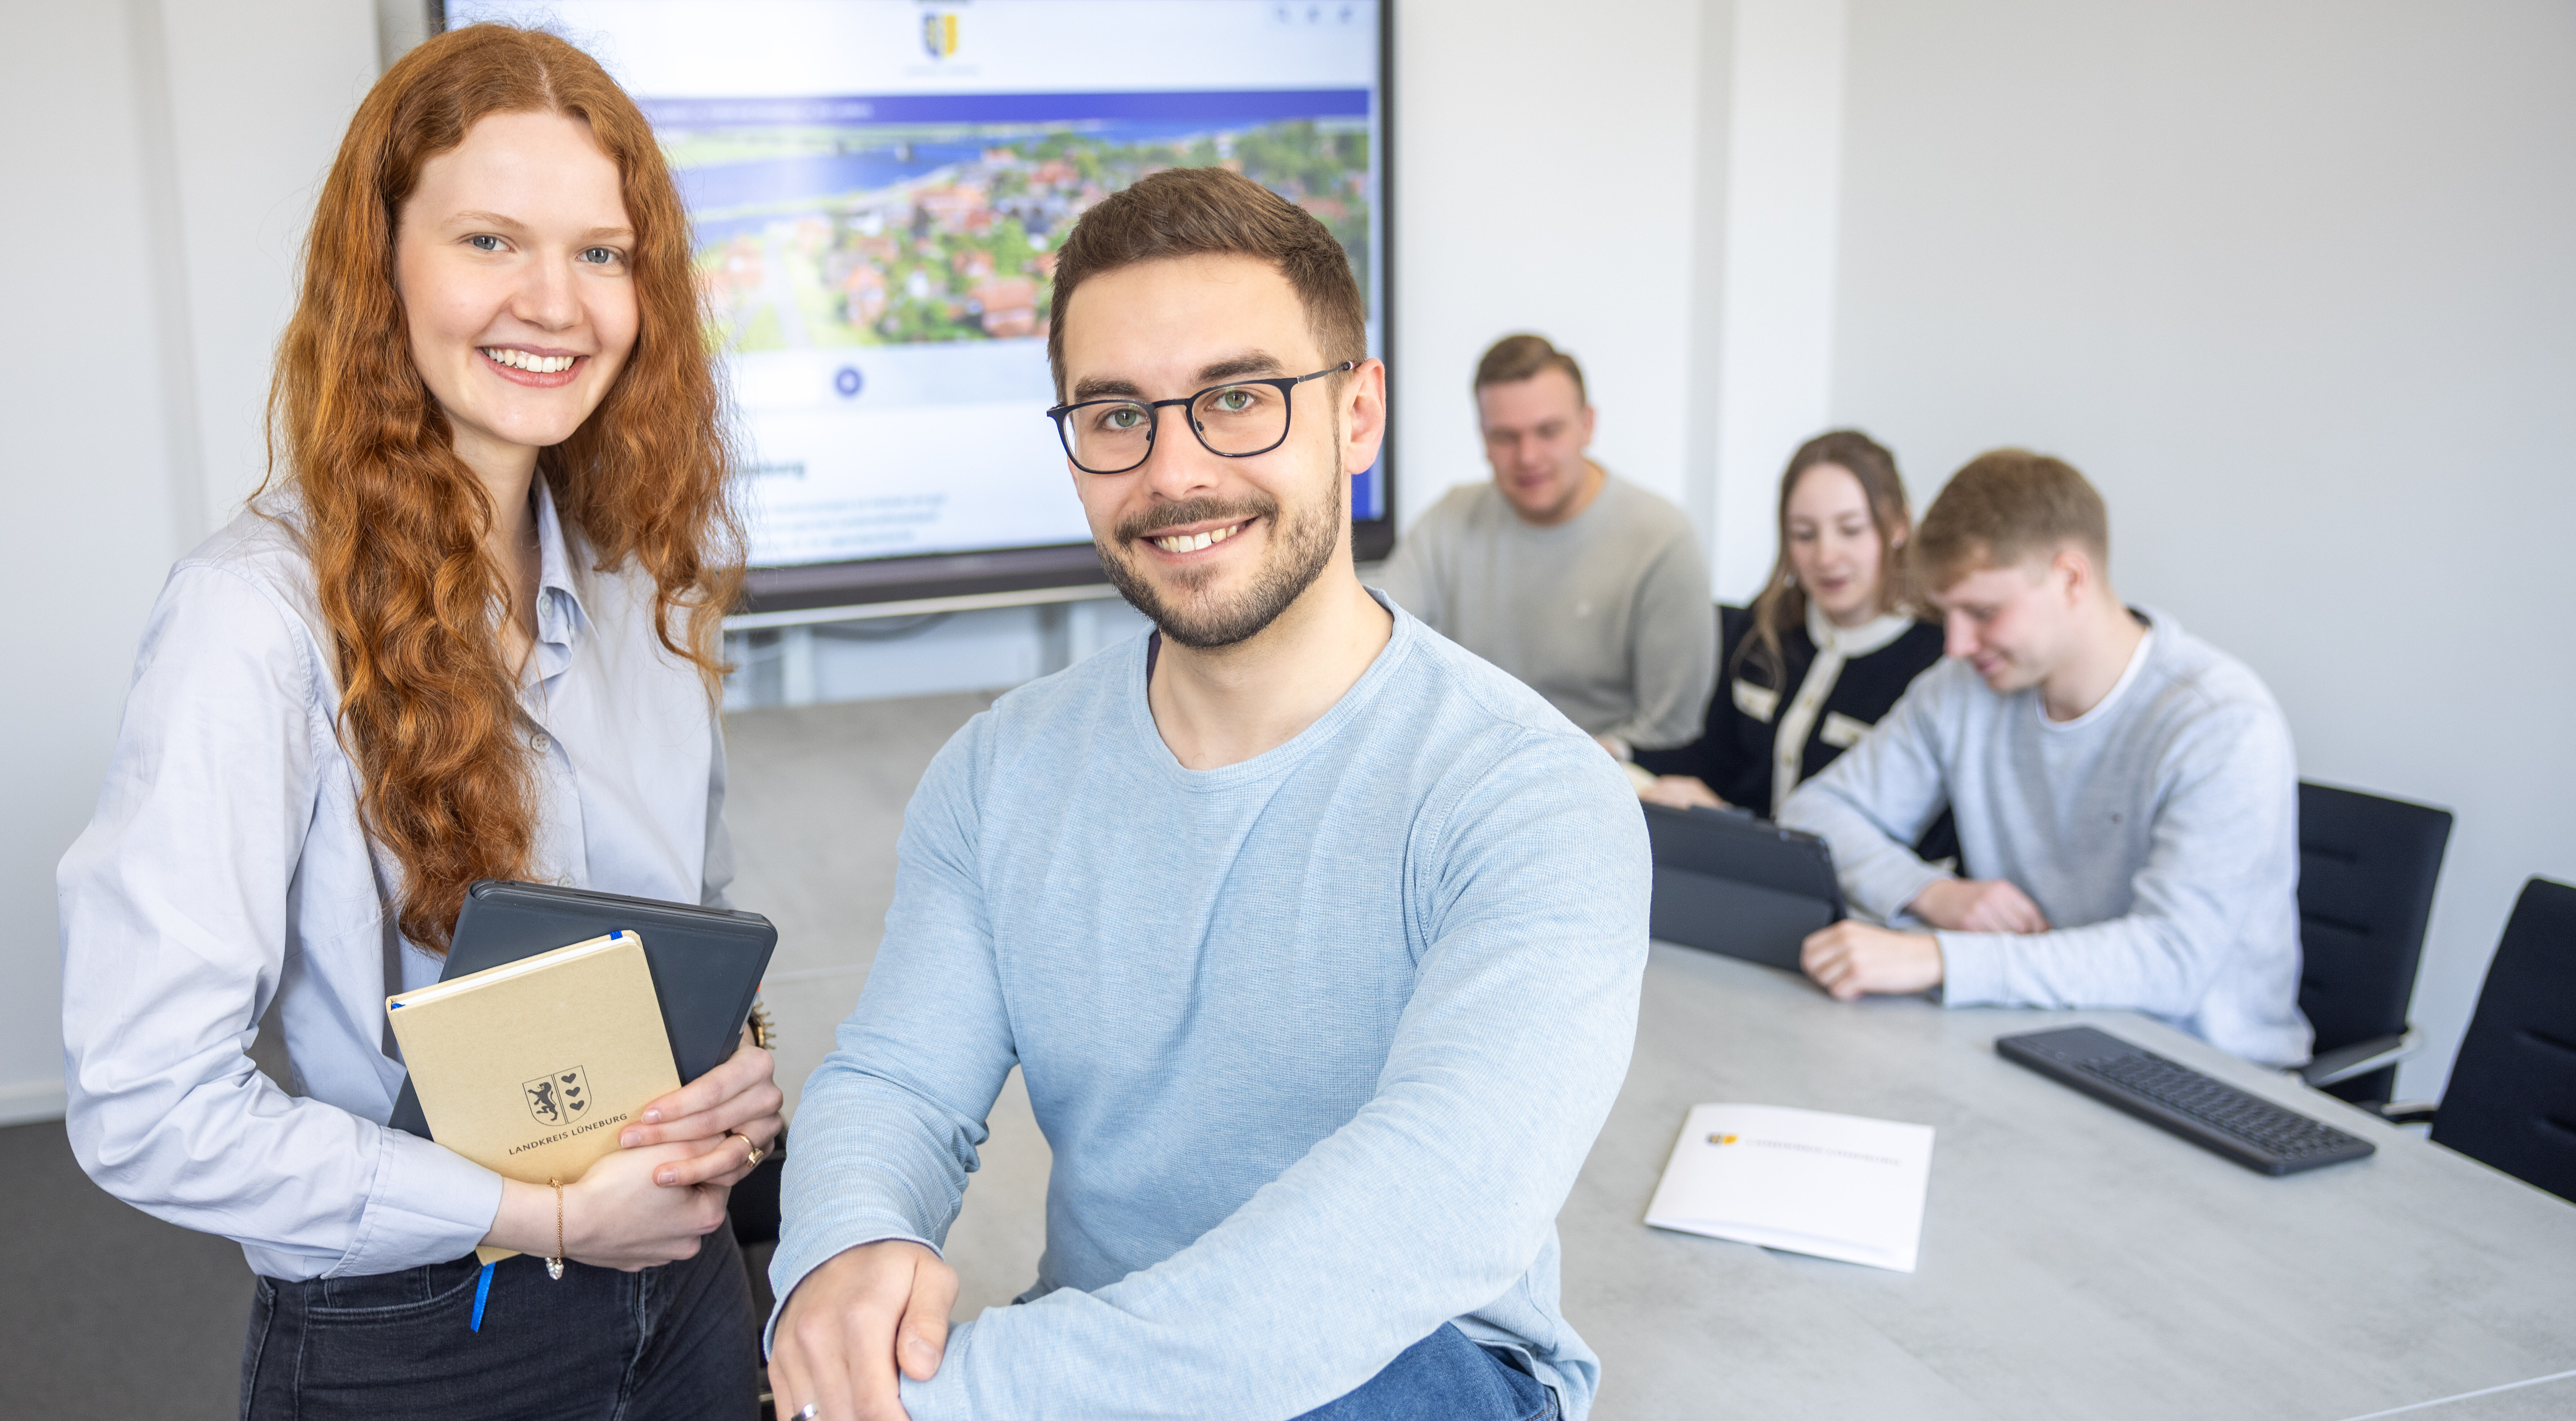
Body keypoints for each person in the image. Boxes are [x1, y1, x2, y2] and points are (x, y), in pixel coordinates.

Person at [763, 169, 1647, 1421]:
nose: (1174, 471)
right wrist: (843, 1253)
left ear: (1357, 413)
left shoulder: (1530, 794)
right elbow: (900, 1084)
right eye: (1116, 414)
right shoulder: (999, 769)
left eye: (1237, 397)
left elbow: (1425, 1213)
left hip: (1409, 1363)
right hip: (1100, 1352)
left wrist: (960, 1393)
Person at [57, 24, 783, 1419]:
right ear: (379, 266)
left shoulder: (639, 579)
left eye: (601, 253)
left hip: (686, 1283)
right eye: (490, 241)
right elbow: (144, 1102)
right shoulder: (252, 619)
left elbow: (701, 915)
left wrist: (736, 1068)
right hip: (425, 1333)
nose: (555, 303)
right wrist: (546, 1215)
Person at [1781, 449, 2309, 1066]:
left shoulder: (2220, 721)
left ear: (2071, 579)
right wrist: (1931, 893)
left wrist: (1941, 957)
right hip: (2032, 1037)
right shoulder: (1964, 688)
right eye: (1946, 614)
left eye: (1982, 612)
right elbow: (1815, 810)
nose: (1956, 644)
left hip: (2205, 1074)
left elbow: (2171, 962)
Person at [1388, 334, 1717, 760]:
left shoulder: (1661, 539)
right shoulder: (1448, 521)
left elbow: (1673, 733)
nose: (1528, 457)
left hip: (1604, 783)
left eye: (1549, 431)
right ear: (1483, 438)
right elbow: (1376, 640)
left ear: (1588, 425)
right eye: (1505, 437)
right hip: (1467, 771)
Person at [1633, 431, 1945, 824]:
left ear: (1899, 525)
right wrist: (1620, 755)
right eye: (1804, 535)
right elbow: (1715, 758)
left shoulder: (1938, 658)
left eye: (1850, 530)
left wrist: (1733, 824)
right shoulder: (1764, 624)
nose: (1826, 556)